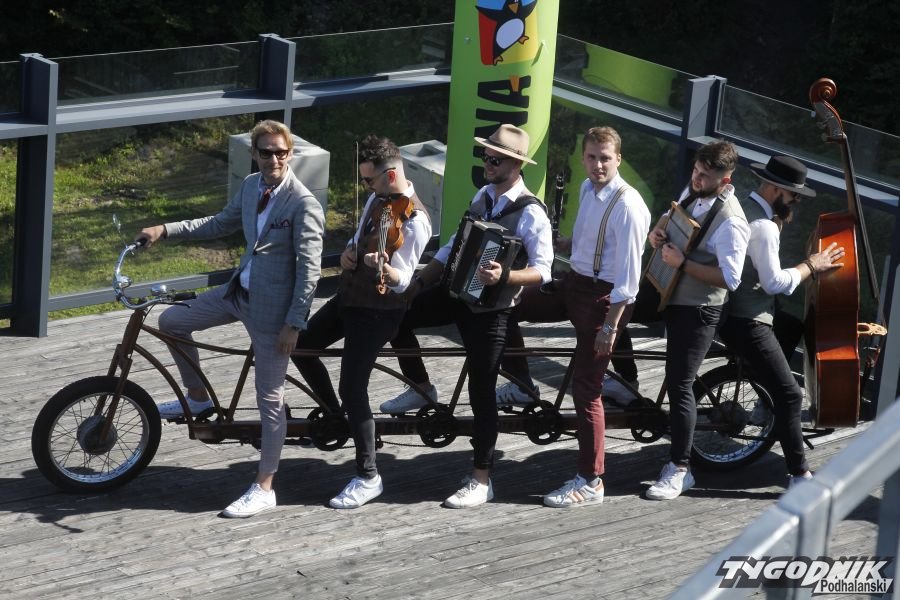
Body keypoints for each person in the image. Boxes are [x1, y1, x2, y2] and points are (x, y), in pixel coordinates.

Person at [136, 119, 325, 518]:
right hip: (238, 293)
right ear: (254, 154)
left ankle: (265, 486)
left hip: (273, 313)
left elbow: (310, 271)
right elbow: (219, 223)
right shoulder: (252, 186)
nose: (274, 159)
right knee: (172, 322)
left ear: (290, 154)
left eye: (281, 152)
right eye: (266, 152)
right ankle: (198, 398)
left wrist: (294, 323)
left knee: (269, 399)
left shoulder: (303, 203)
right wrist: (165, 230)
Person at [383, 123, 554, 508]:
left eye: (494, 160)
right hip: (459, 294)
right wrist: (417, 283)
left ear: (515, 164)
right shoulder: (483, 195)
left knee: (482, 391)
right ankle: (421, 388)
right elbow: (451, 247)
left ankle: (481, 479)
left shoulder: (531, 212)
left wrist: (505, 276)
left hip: (492, 310)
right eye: (485, 157)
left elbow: (544, 271)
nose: (486, 164)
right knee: (398, 313)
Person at [489, 126, 651, 507]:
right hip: (574, 283)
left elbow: (628, 280)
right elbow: (594, 239)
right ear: (583, 158)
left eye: (605, 158)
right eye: (592, 157)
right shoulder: (587, 190)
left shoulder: (629, 206)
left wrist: (610, 326)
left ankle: (591, 480)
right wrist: (568, 243)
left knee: (586, 390)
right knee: (507, 303)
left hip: (603, 299)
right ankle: (521, 384)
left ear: (618, 159)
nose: (598, 165)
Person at [290, 135, 432, 509]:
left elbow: (404, 280)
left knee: (353, 387)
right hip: (349, 299)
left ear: (391, 175)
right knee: (301, 346)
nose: (365, 186)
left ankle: (368, 475)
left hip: (379, 312)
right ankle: (339, 417)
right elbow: (356, 240)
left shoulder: (416, 220)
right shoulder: (376, 200)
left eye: (369, 180)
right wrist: (350, 254)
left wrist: (384, 268)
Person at [718, 155, 843, 488]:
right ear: (776, 190)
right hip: (746, 321)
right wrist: (811, 265)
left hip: (731, 312)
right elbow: (774, 284)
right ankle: (799, 474)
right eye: (794, 195)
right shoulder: (764, 227)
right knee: (791, 396)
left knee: (790, 327)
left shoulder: (742, 206)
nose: (796, 201)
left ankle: (763, 396)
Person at [644, 139, 750, 501]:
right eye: (695, 170)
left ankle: (680, 469)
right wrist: (657, 232)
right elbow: (670, 217)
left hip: (699, 309)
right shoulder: (694, 191)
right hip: (671, 291)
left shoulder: (732, 221)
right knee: (614, 305)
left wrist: (683, 264)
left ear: (725, 179)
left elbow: (730, 279)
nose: (696, 178)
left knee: (680, 384)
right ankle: (623, 389)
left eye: (705, 175)